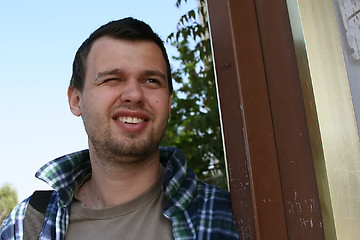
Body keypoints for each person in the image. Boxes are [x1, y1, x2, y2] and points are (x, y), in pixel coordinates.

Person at [0, 17, 239, 239]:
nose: (134, 95)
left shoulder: (232, 218)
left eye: (151, 81)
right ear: (76, 100)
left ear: (168, 103)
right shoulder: (25, 227)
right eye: (112, 79)